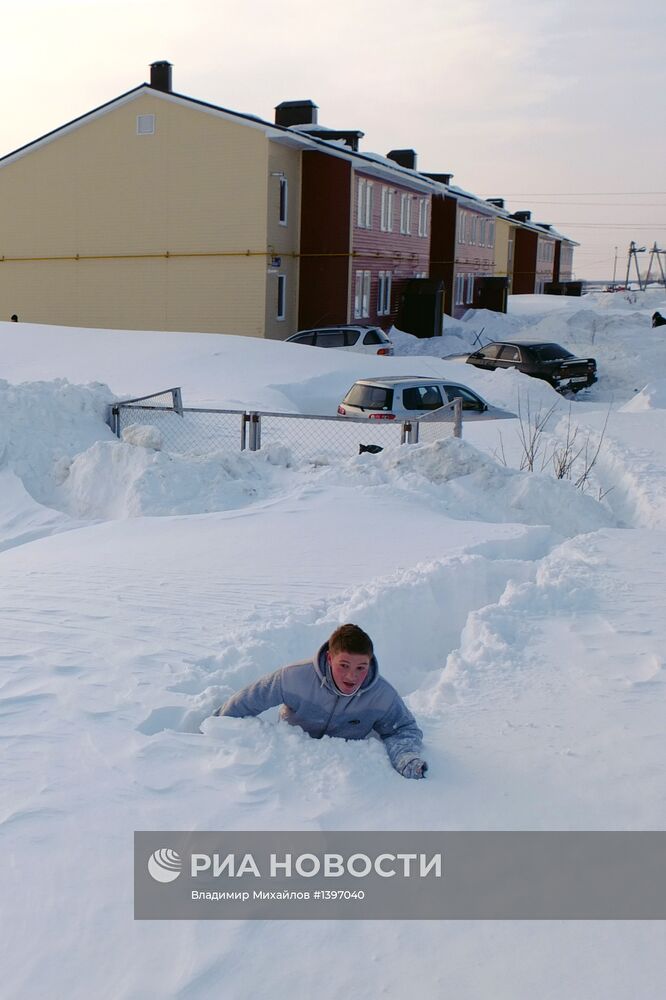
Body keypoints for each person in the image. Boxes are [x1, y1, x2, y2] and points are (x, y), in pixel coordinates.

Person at [216, 623, 428, 779]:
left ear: (369, 663)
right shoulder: (294, 677)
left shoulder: (383, 695)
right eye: (343, 665)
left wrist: (406, 758)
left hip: (343, 776)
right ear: (329, 658)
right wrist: (216, 726)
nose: (351, 676)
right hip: (288, 767)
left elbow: (403, 728)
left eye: (360, 668)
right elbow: (247, 701)